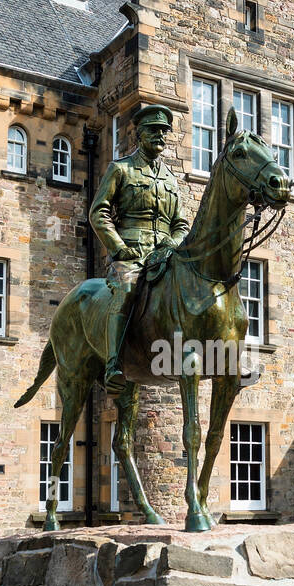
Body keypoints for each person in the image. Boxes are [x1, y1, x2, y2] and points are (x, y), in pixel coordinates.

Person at [88, 104, 191, 393]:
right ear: (139, 135)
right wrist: (118, 248)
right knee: (127, 290)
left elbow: (181, 224)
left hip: (165, 255)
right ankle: (113, 364)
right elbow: (99, 213)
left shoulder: (171, 179)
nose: (161, 135)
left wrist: (172, 243)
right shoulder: (120, 169)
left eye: (164, 131)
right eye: (154, 130)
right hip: (131, 253)